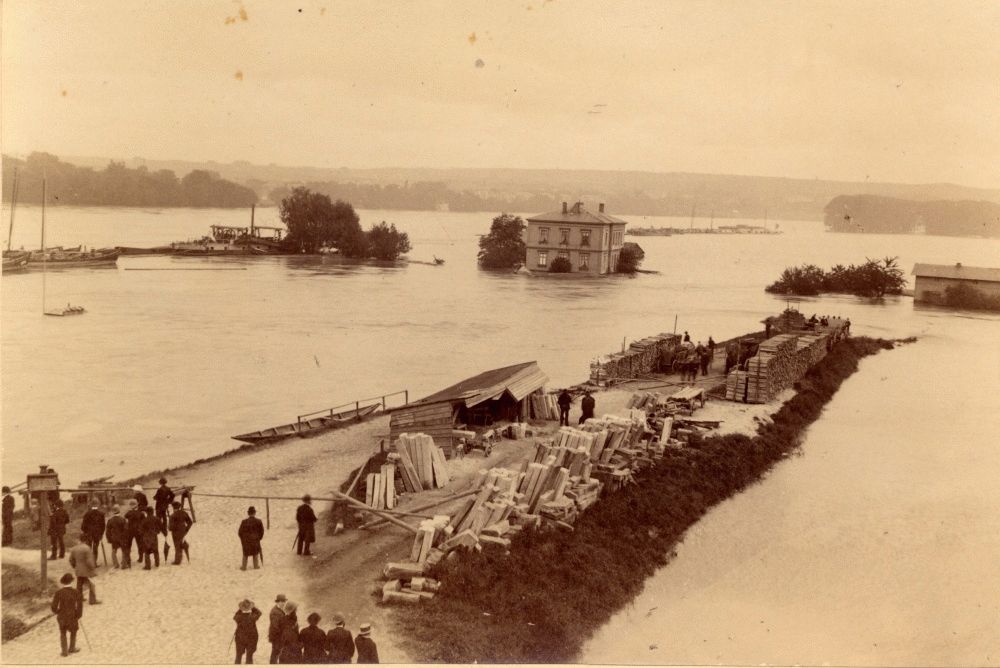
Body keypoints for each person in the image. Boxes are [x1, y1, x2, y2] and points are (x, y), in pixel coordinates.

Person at [51, 573, 83, 657]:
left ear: (63, 582)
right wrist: (78, 614)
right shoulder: (76, 592)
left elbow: (53, 606)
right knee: (73, 631)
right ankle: (72, 648)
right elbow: (80, 605)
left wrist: (58, 612)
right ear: (71, 581)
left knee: (63, 632)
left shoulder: (58, 592)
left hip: (62, 616)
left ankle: (64, 651)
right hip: (72, 615)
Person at [68, 532, 100, 604]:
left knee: (79, 585)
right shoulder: (87, 548)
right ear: (86, 540)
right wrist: (93, 568)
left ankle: (78, 598)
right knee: (91, 585)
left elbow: (71, 560)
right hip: (85, 570)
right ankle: (92, 600)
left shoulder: (74, 548)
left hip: (78, 570)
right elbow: (89, 561)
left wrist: (75, 566)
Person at [233, 598, 263, 664]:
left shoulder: (238, 617)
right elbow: (259, 612)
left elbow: (235, 616)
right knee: (249, 657)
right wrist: (252, 607)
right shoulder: (253, 617)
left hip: (240, 639)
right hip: (251, 639)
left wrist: (241, 609)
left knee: (238, 656)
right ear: (250, 608)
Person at [238, 506, 265, 570]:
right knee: (255, 554)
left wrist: (243, 540)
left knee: (245, 555)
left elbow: (240, 532)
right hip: (255, 541)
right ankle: (256, 566)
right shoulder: (259, 521)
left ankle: (244, 567)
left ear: (248, 513)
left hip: (246, 541)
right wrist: (258, 538)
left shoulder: (244, 522)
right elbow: (262, 532)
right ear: (254, 513)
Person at [167, 500, 192, 565]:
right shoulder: (184, 513)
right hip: (183, 531)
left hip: (175, 533)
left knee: (177, 546)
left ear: (173, 507)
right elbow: (190, 522)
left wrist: (168, 527)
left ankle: (177, 561)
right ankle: (185, 546)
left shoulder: (173, 516)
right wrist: (186, 529)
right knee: (181, 541)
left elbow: (170, 528)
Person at [268, 594, 287, 664]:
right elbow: (275, 627)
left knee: (277, 653)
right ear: (278, 602)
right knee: (275, 653)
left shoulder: (280, 610)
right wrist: (282, 635)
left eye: (284, 601)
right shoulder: (275, 612)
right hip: (276, 636)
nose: (283, 603)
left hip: (279, 636)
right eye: (282, 602)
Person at [124, 499, 145, 563]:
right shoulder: (141, 513)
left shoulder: (129, 513)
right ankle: (140, 558)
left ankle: (128, 559)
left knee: (128, 545)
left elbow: (125, 516)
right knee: (140, 544)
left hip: (130, 531)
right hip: (138, 531)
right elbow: (143, 522)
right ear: (137, 505)